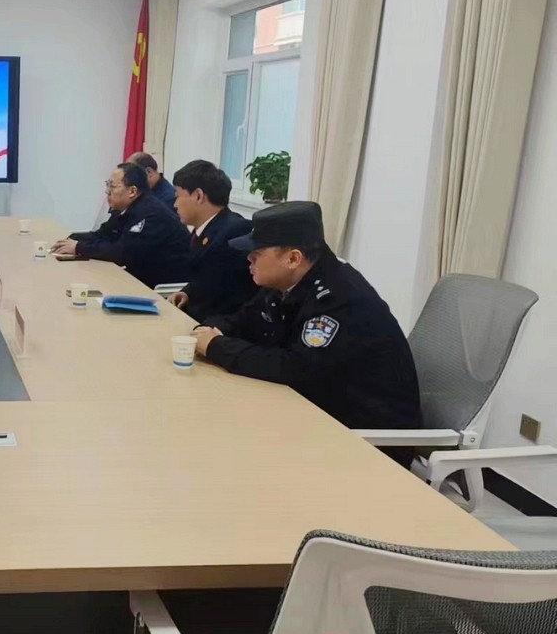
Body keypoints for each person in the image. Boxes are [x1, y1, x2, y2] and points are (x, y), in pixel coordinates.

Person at [192, 201, 422, 433]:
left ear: (293, 259)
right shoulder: (286, 282)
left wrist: (216, 346)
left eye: (257, 253)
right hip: (316, 411)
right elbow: (245, 319)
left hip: (364, 434)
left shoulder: (338, 299)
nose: (249, 258)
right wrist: (210, 330)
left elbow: (295, 369)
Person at [52, 163, 191, 288]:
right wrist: (71, 239)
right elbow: (103, 234)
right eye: (107, 185)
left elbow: (123, 252)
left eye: (112, 186)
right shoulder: (125, 209)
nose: (107, 192)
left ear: (132, 191)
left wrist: (78, 247)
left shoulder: (150, 213)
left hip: (163, 288)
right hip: (138, 278)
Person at [167, 160, 257, 321]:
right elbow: (203, 280)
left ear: (198, 196)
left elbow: (232, 298)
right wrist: (186, 293)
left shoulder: (234, 232)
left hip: (217, 325)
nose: (175, 204)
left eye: (178, 196)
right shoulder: (205, 229)